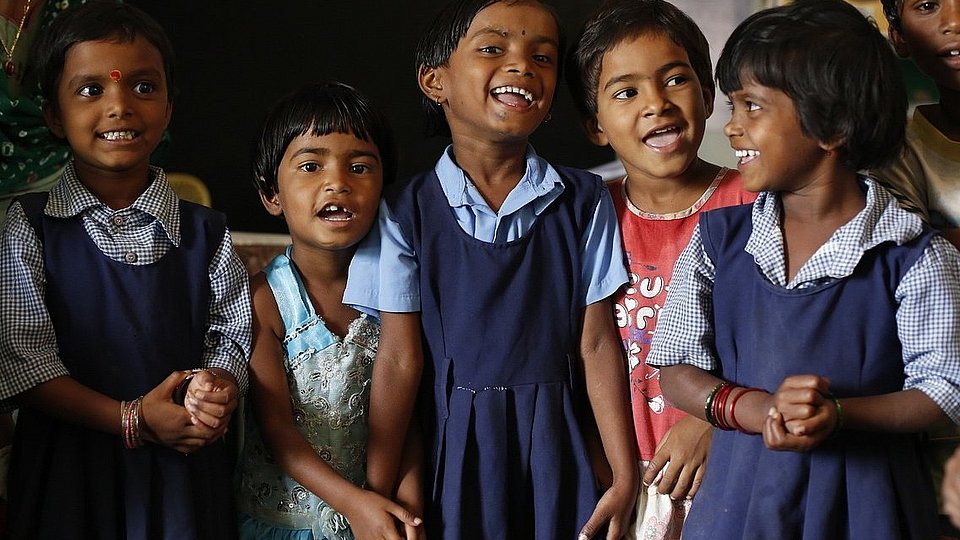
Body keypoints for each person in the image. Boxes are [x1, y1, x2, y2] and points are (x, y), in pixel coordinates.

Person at [646, 0, 960, 538]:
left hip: (869, 509)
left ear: (832, 125)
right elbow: (676, 369)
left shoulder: (915, 255)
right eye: (732, 105)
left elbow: (946, 391)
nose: (732, 127)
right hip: (740, 501)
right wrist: (758, 409)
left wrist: (836, 416)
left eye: (751, 107)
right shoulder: (719, 240)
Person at [343, 0, 639, 538]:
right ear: (437, 82)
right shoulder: (403, 210)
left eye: (543, 57)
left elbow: (596, 344)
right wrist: (376, 493)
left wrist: (623, 475)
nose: (522, 66)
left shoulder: (584, 199)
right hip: (450, 444)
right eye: (492, 48)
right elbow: (400, 358)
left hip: (557, 439)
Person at [0, 2, 252, 538]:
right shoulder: (30, 228)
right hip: (66, 474)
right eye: (91, 90)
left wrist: (215, 389)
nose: (120, 106)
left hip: (183, 473)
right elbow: (25, 364)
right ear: (52, 116)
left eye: (143, 87)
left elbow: (230, 337)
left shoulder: (206, 232)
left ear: (169, 107)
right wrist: (132, 418)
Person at [566, 1, 755, 538]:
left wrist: (711, 418)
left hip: (733, 464)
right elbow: (579, 350)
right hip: (626, 484)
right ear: (594, 124)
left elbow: (785, 338)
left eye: (675, 80)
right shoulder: (588, 216)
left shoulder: (754, 203)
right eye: (626, 92)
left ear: (708, 95)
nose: (656, 104)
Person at [234, 81, 423, 540]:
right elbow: (279, 434)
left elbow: (413, 418)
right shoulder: (266, 299)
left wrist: (408, 509)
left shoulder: (398, 295)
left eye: (359, 167)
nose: (337, 182)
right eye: (311, 166)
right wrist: (358, 505)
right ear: (271, 194)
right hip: (286, 525)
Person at [875, 0, 960, 248]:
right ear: (898, 35)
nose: (955, 22)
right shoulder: (899, 155)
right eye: (927, 6)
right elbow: (907, 254)